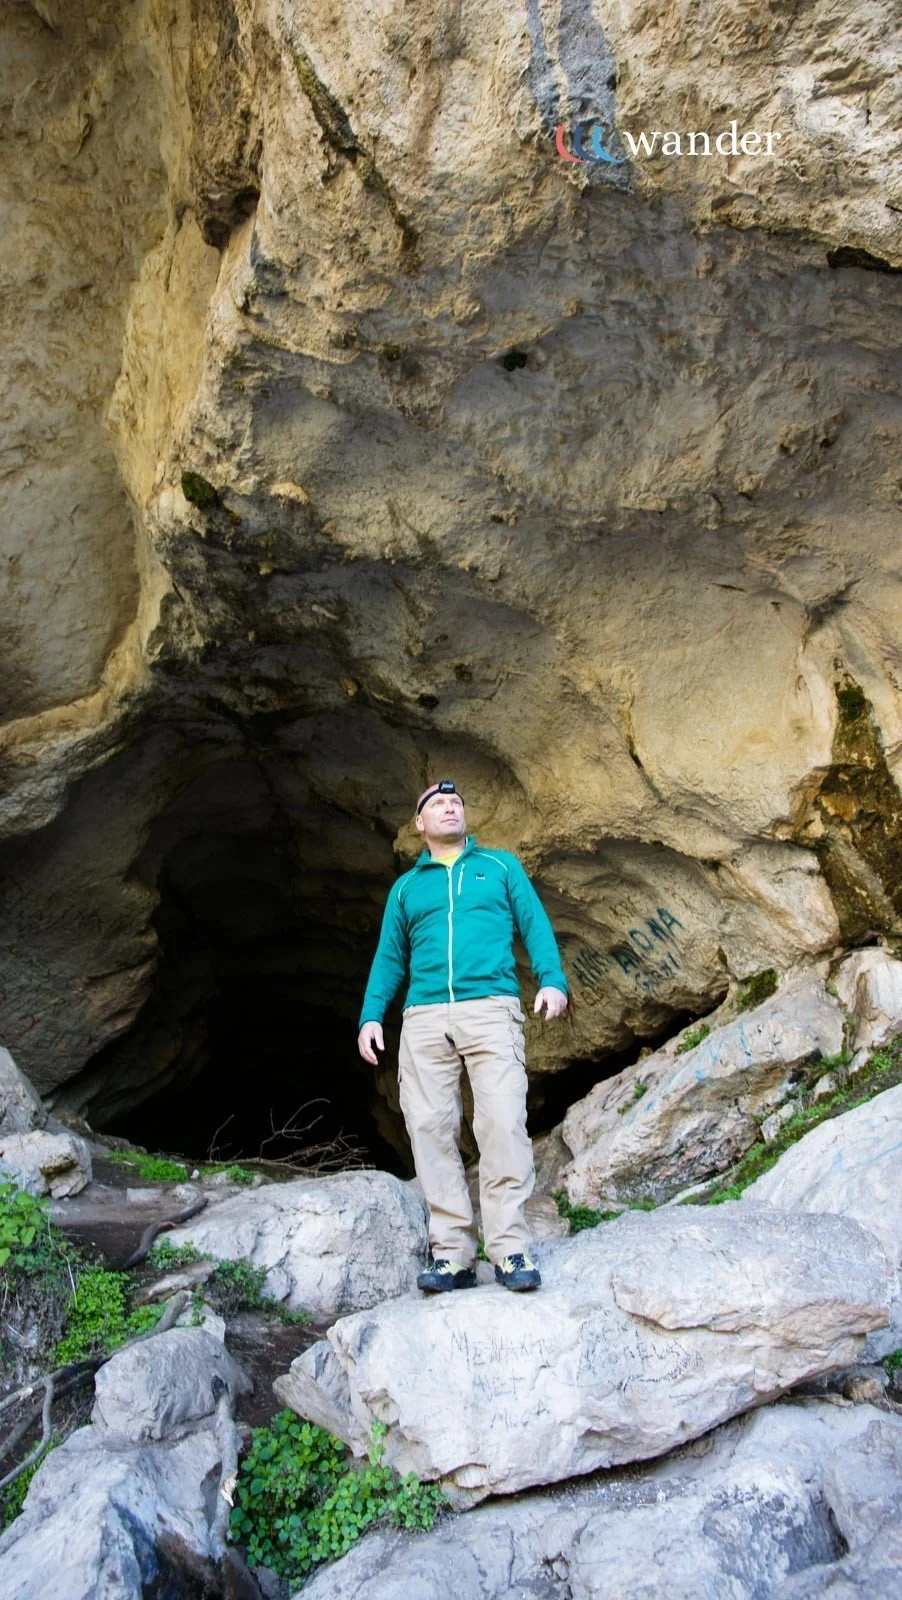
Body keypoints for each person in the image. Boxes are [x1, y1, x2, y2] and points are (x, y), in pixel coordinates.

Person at [357, 778, 569, 1292]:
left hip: (490, 1008)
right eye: (438, 804)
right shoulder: (406, 888)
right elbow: (390, 957)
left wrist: (553, 981)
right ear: (420, 825)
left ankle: (510, 1250)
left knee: (500, 1122)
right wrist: (370, 1016)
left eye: (457, 803)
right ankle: (451, 1254)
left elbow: (535, 924)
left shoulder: (499, 866)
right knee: (430, 1130)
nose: (450, 809)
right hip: (425, 1016)